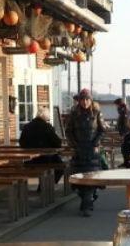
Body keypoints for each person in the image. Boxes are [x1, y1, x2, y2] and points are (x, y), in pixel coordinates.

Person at [65, 88, 105, 216]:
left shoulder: (97, 112)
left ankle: (87, 204)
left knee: (91, 177)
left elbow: (101, 130)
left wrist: (96, 143)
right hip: (79, 149)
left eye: (87, 99)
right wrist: (74, 144)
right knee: (79, 178)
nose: (85, 102)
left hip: (92, 148)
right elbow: (68, 131)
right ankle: (87, 200)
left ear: (91, 100)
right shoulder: (74, 113)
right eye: (82, 99)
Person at [19, 106, 64, 180]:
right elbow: (57, 143)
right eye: (48, 116)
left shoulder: (27, 127)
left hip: (29, 161)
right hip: (46, 159)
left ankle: (43, 187)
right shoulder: (47, 127)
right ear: (45, 116)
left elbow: (22, 143)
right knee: (61, 167)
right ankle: (46, 187)